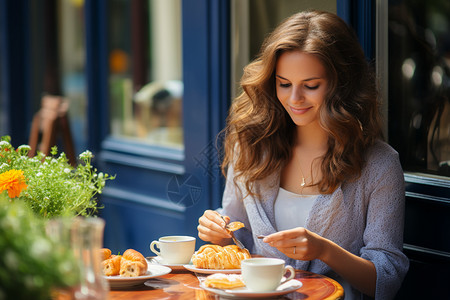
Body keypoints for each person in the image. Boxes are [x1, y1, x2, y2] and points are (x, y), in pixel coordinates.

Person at [197, 10, 409, 300]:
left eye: (310, 86)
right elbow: (238, 233)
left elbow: (386, 278)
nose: (294, 98)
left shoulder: (379, 165)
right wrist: (218, 229)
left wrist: (326, 251)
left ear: (342, 85)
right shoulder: (252, 145)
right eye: (284, 83)